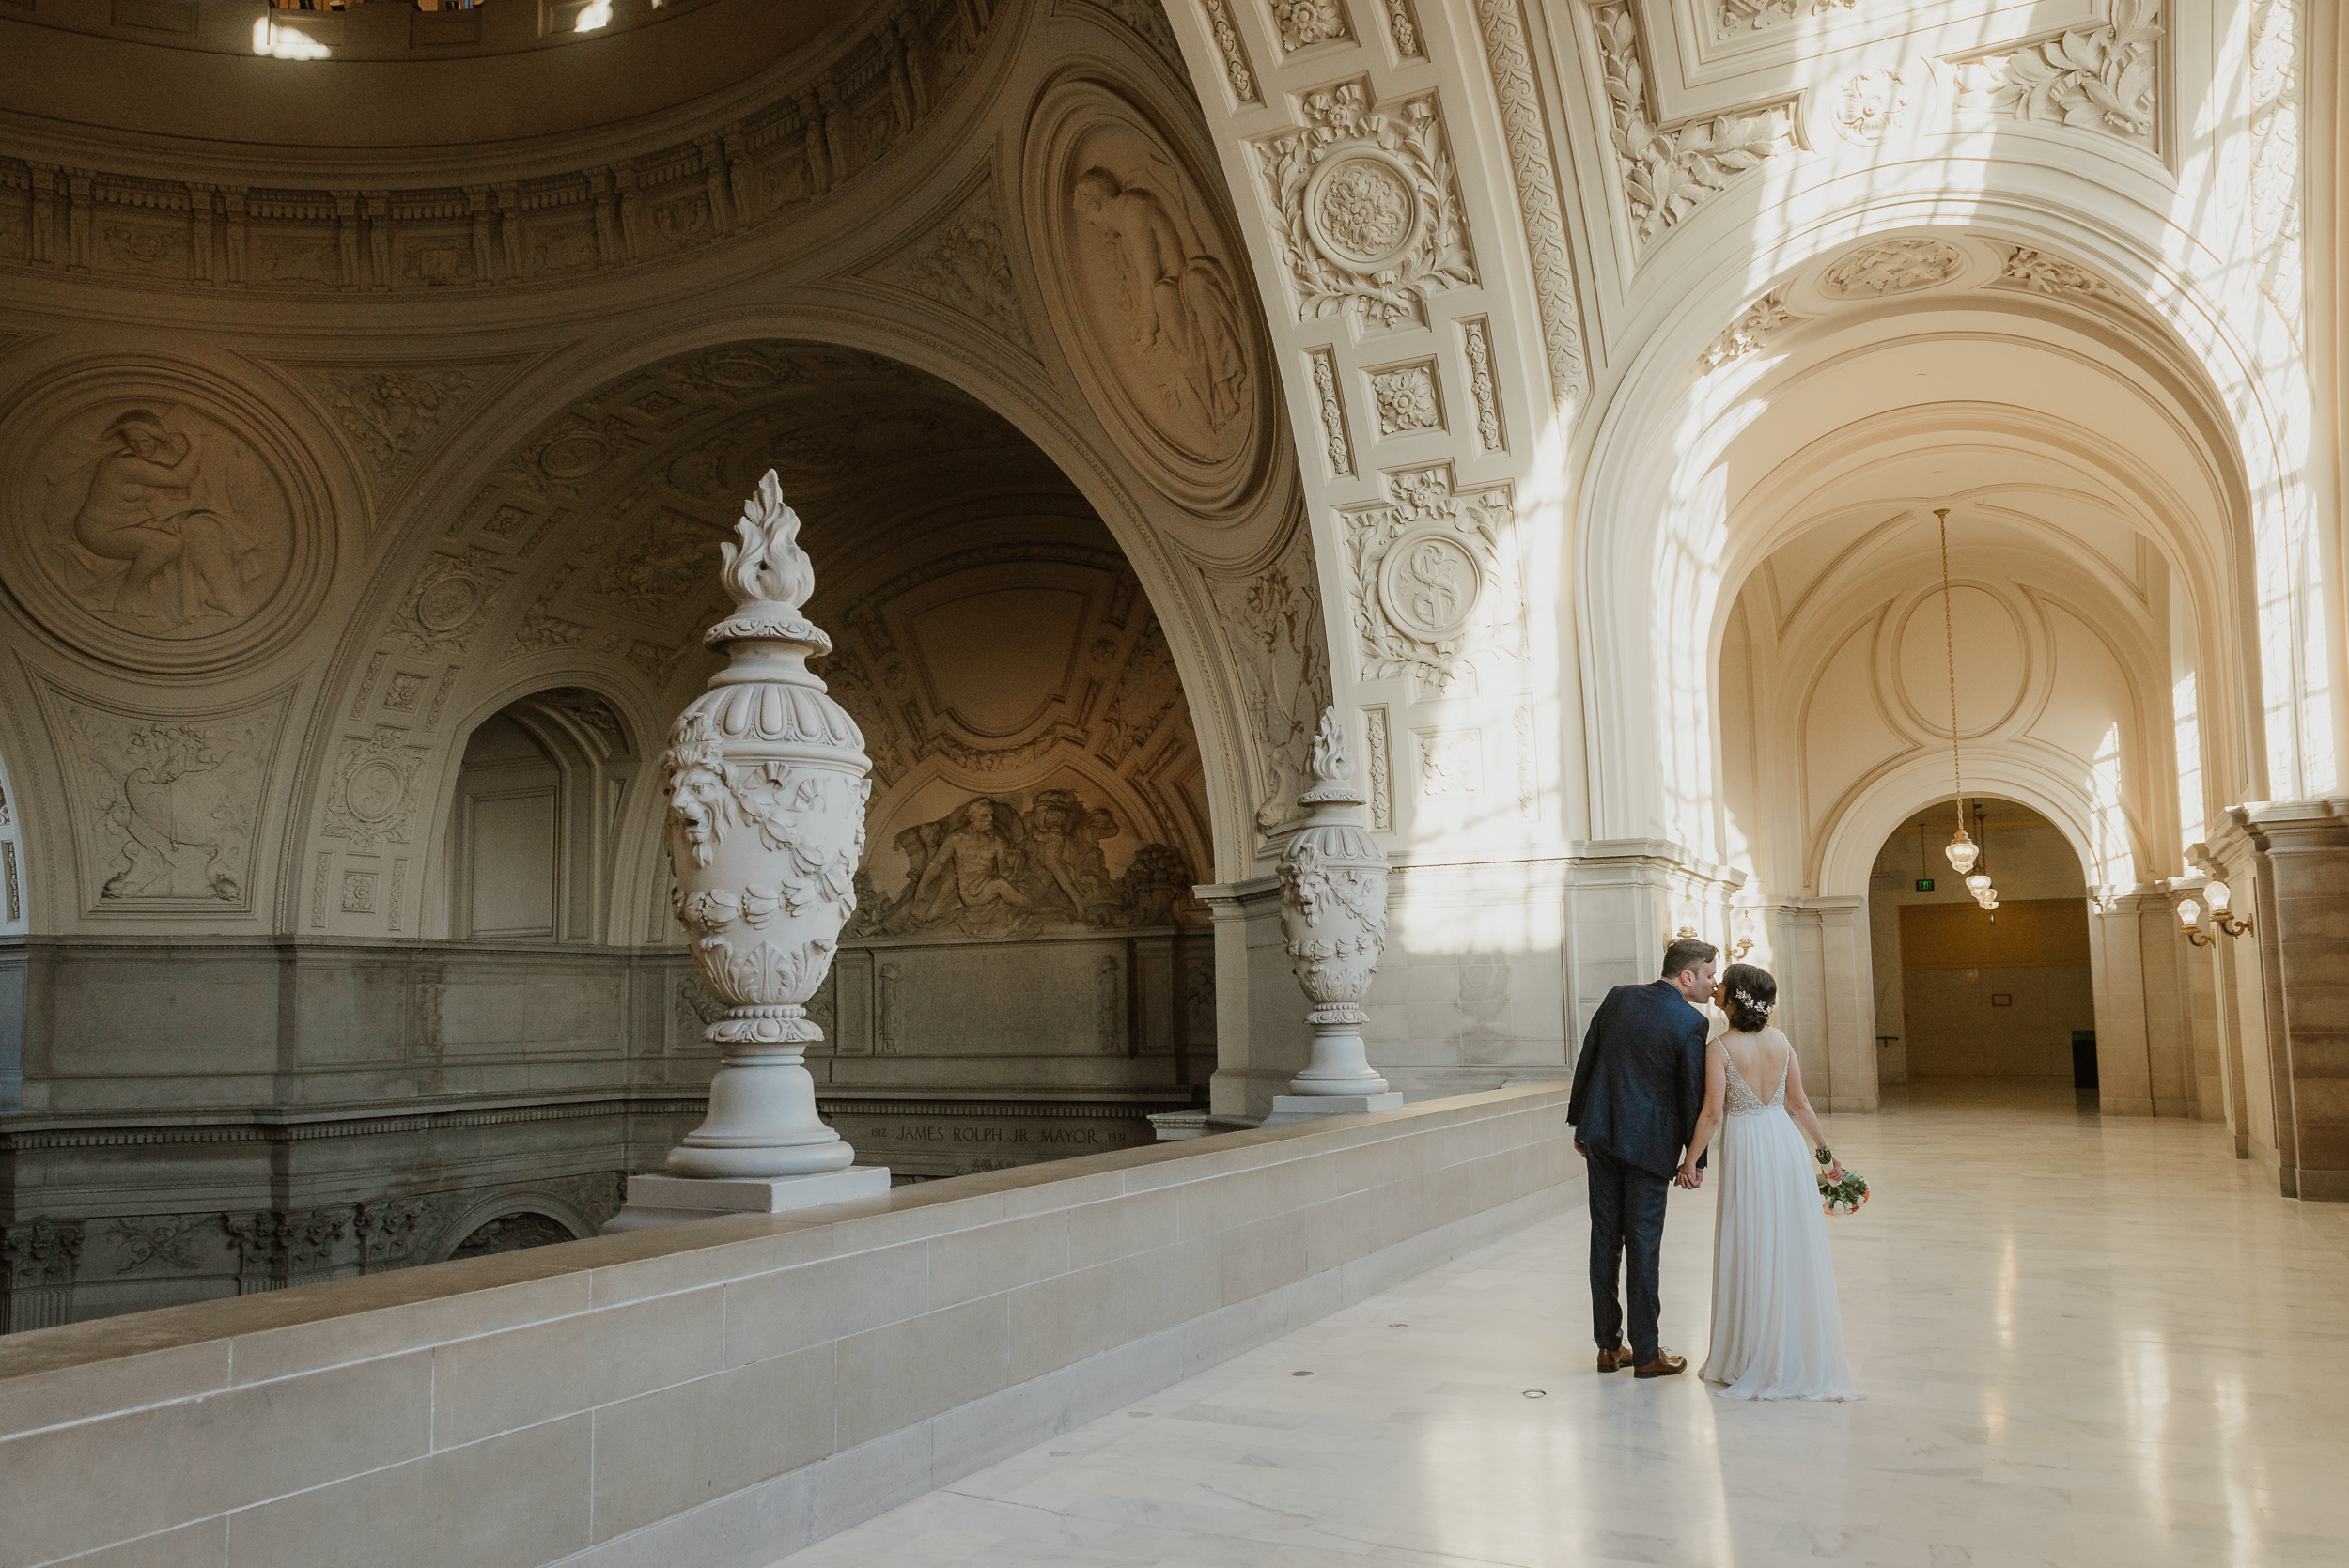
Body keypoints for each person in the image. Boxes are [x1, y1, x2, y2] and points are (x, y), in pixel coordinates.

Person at [1678, 963, 1858, 1401]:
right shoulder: (1781, 1041)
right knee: (1789, 1243)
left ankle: (1750, 1354)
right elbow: (1799, 1104)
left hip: (1748, 1149)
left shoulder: (1719, 1048)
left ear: (1736, 999)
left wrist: (1690, 1160)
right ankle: (1790, 1352)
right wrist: (1825, 1155)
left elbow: (1712, 1113)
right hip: (1785, 1145)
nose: (1715, 987)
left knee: (1750, 1241)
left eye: (1723, 984)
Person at [1567, 937, 1716, 1378]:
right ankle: (1647, 1353)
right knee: (1644, 1244)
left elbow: (1588, 1058)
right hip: (1650, 1147)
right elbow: (1692, 1095)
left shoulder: (1619, 997)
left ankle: (1608, 1348)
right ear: (1687, 976)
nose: (1713, 984)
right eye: (1709, 975)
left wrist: (1580, 1122)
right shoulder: (1690, 1022)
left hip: (1602, 1135)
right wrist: (1696, 1160)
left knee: (1605, 1240)